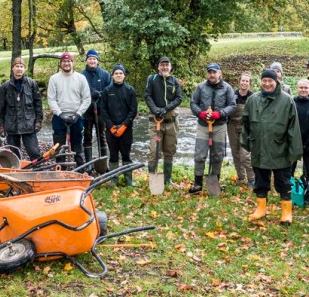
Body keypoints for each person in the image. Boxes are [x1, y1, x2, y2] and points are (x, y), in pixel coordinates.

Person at [242, 70, 302, 224]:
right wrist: (248, 143)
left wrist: (294, 151)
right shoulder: (252, 99)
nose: (267, 84)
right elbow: (246, 124)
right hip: (259, 147)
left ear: (276, 82)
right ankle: (261, 209)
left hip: (280, 149)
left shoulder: (287, 100)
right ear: (261, 81)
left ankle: (286, 212)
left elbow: (293, 127)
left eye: (271, 81)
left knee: (283, 182)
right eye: (265, 80)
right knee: (260, 181)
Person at [189, 63, 236, 195]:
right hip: (203, 126)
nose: (212, 75)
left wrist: (220, 113)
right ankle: (198, 184)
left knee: (217, 155)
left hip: (219, 126)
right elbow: (193, 103)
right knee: (200, 155)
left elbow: (232, 105)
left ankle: (214, 183)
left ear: (219, 73)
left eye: (214, 72)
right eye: (210, 72)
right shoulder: (200, 87)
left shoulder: (227, 88)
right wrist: (200, 113)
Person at [47, 52, 91, 168]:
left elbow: (87, 99)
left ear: (72, 63)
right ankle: (61, 168)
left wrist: (78, 114)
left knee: (77, 144)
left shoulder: (81, 78)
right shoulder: (54, 79)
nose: (66, 64)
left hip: (76, 116)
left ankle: (80, 168)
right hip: (59, 116)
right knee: (59, 145)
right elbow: (51, 99)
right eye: (64, 61)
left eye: (69, 61)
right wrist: (60, 114)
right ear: (60, 63)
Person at [144, 56, 183, 185]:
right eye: (162, 65)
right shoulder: (152, 79)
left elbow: (179, 98)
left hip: (171, 122)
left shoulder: (175, 81)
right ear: (158, 67)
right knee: (153, 151)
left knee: (170, 150)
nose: (164, 67)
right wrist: (155, 109)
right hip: (156, 121)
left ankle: (167, 179)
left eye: (167, 65)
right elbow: (147, 95)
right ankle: (153, 179)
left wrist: (166, 109)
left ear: (170, 67)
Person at [99, 64, 138, 186]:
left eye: (121, 73)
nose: (118, 75)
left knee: (126, 154)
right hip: (111, 129)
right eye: (116, 73)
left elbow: (133, 110)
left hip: (126, 129)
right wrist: (111, 126)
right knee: (113, 155)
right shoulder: (107, 91)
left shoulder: (130, 90)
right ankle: (113, 180)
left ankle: (129, 180)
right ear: (112, 76)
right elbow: (103, 110)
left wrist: (124, 126)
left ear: (124, 75)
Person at [0, 57, 43, 160]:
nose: (19, 69)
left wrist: (38, 121)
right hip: (11, 125)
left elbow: (38, 104)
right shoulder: (5, 86)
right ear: (13, 68)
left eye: (21, 66)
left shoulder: (32, 84)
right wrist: (1, 126)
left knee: (34, 152)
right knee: (14, 154)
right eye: (17, 66)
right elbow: (1, 108)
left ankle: (36, 168)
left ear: (24, 69)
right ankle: (17, 168)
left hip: (29, 124)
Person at [80, 49, 111, 166]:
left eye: (94, 59)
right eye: (90, 59)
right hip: (87, 111)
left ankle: (103, 163)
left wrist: (100, 94)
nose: (92, 61)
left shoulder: (105, 74)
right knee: (87, 135)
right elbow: (79, 91)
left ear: (97, 60)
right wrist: (90, 93)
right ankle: (88, 163)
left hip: (101, 111)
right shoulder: (81, 75)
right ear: (86, 60)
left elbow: (109, 91)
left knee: (102, 136)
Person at [226, 72, 255, 187]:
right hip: (232, 126)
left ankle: (252, 179)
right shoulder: (232, 95)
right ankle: (241, 177)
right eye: (243, 80)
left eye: (247, 81)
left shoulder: (253, 97)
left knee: (245, 154)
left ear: (250, 83)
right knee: (235, 153)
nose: (244, 83)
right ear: (239, 82)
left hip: (246, 127)